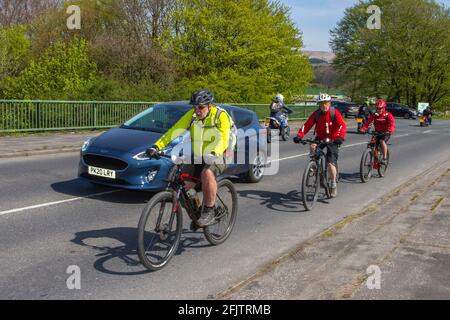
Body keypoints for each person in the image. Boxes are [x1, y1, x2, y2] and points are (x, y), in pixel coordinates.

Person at [146, 89, 232, 227]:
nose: (197, 110)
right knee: (185, 184)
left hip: (222, 152)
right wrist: (157, 146)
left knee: (207, 173)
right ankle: (198, 213)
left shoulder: (220, 116)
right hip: (200, 153)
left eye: (201, 107)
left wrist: (214, 153)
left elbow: (223, 138)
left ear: (210, 105)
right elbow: (174, 130)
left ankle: (209, 210)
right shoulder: (192, 116)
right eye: (195, 107)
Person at [293, 93, 347, 198]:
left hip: (333, 139)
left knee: (330, 164)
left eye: (326, 103)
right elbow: (307, 125)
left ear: (329, 103)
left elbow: (342, 125)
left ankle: (333, 183)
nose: (324, 106)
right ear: (319, 105)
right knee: (312, 145)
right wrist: (299, 135)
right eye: (321, 104)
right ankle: (314, 166)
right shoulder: (317, 114)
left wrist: (340, 137)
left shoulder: (334, 113)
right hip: (321, 137)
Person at [360, 99, 395, 164]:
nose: (378, 110)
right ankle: (373, 158)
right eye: (377, 108)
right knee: (370, 144)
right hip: (377, 132)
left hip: (386, 133)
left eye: (380, 108)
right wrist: (363, 128)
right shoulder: (374, 115)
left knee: (382, 141)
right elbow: (368, 122)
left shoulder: (388, 115)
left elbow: (392, 124)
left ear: (383, 108)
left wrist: (390, 130)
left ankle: (384, 158)